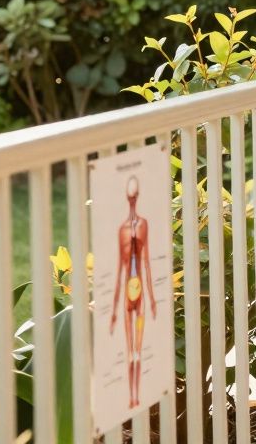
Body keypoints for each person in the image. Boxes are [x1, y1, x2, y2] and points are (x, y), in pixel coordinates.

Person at [110, 175, 157, 409]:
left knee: (138, 350)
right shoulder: (122, 230)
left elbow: (146, 263)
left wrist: (153, 298)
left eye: (134, 196)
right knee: (130, 352)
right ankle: (132, 397)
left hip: (140, 295)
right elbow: (120, 270)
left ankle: (137, 396)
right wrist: (113, 308)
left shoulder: (143, 225)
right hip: (128, 293)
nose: (132, 200)